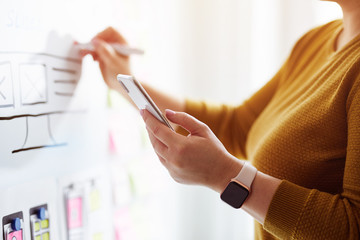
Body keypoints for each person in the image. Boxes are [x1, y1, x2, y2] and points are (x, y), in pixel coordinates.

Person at [81, 0, 360, 239]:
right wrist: (123, 82)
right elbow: (238, 128)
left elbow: (353, 228)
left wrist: (226, 177)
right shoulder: (316, 40)